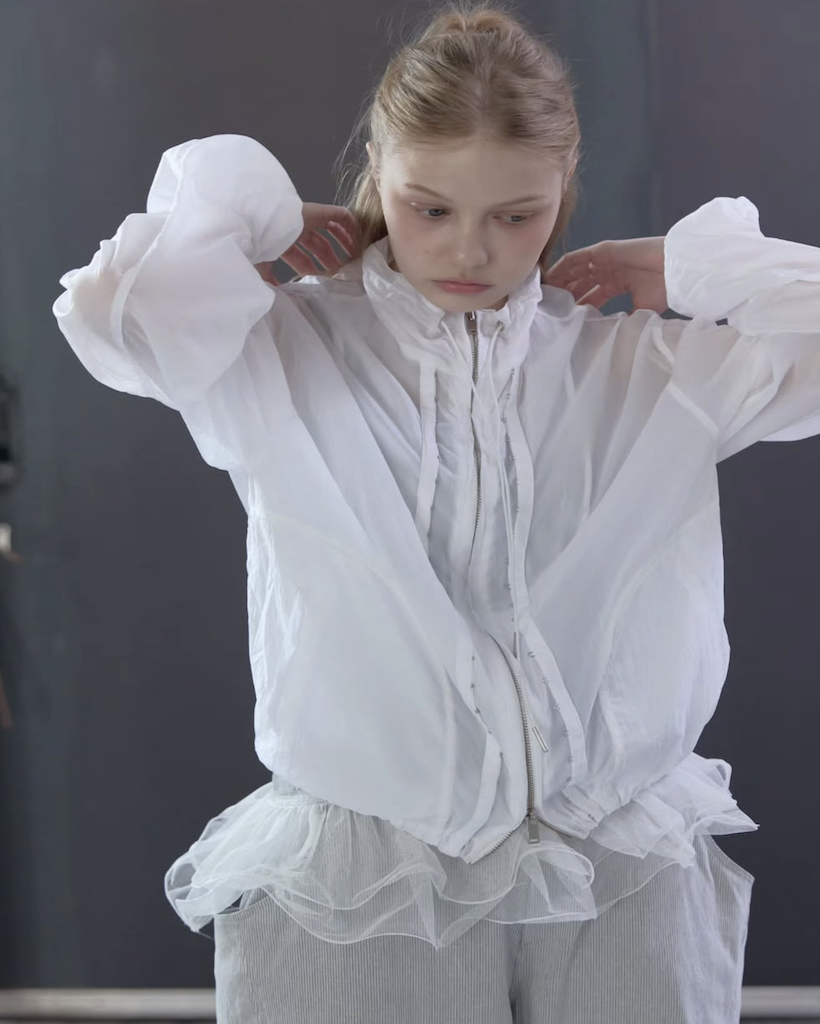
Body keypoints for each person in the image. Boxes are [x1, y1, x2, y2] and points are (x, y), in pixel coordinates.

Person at [52, 1, 820, 1021]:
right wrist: (254, 219)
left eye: (517, 215)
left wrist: (696, 266)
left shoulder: (640, 366)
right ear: (377, 168)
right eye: (429, 207)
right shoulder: (278, 350)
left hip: (621, 867)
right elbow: (116, 312)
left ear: (564, 186)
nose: (472, 249)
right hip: (361, 872)